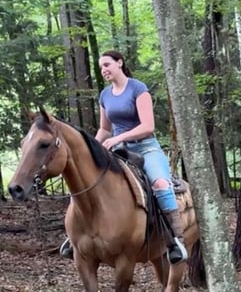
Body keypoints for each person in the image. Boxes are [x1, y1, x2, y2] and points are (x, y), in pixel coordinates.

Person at [60, 50, 188, 264]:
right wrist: (90, 147)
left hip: (145, 148)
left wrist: (119, 138)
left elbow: (148, 126)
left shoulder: (138, 89)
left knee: (160, 184)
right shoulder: (105, 95)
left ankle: (175, 241)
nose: (104, 70)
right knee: (87, 181)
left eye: (107, 65)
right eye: (101, 67)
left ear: (120, 63)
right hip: (117, 151)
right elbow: (104, 129)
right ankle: (73, 236)